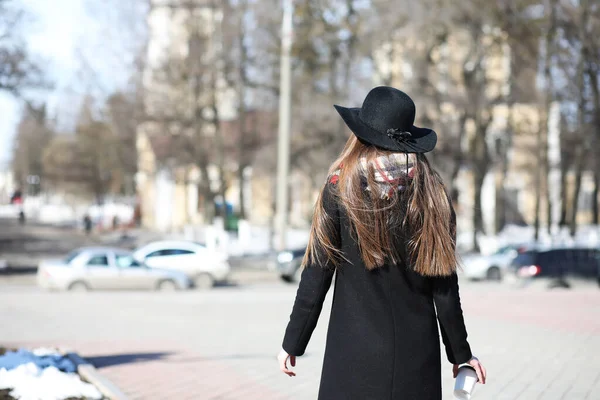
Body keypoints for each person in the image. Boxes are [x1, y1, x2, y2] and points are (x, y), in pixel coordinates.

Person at [278, 87, 486, 399]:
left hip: (351, 362)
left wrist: (293, 343)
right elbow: (444, 288)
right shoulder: (432, 196)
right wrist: (460, 355)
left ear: (359, 136)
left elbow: (317, 273)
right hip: (416, 364)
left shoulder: (339, 190)